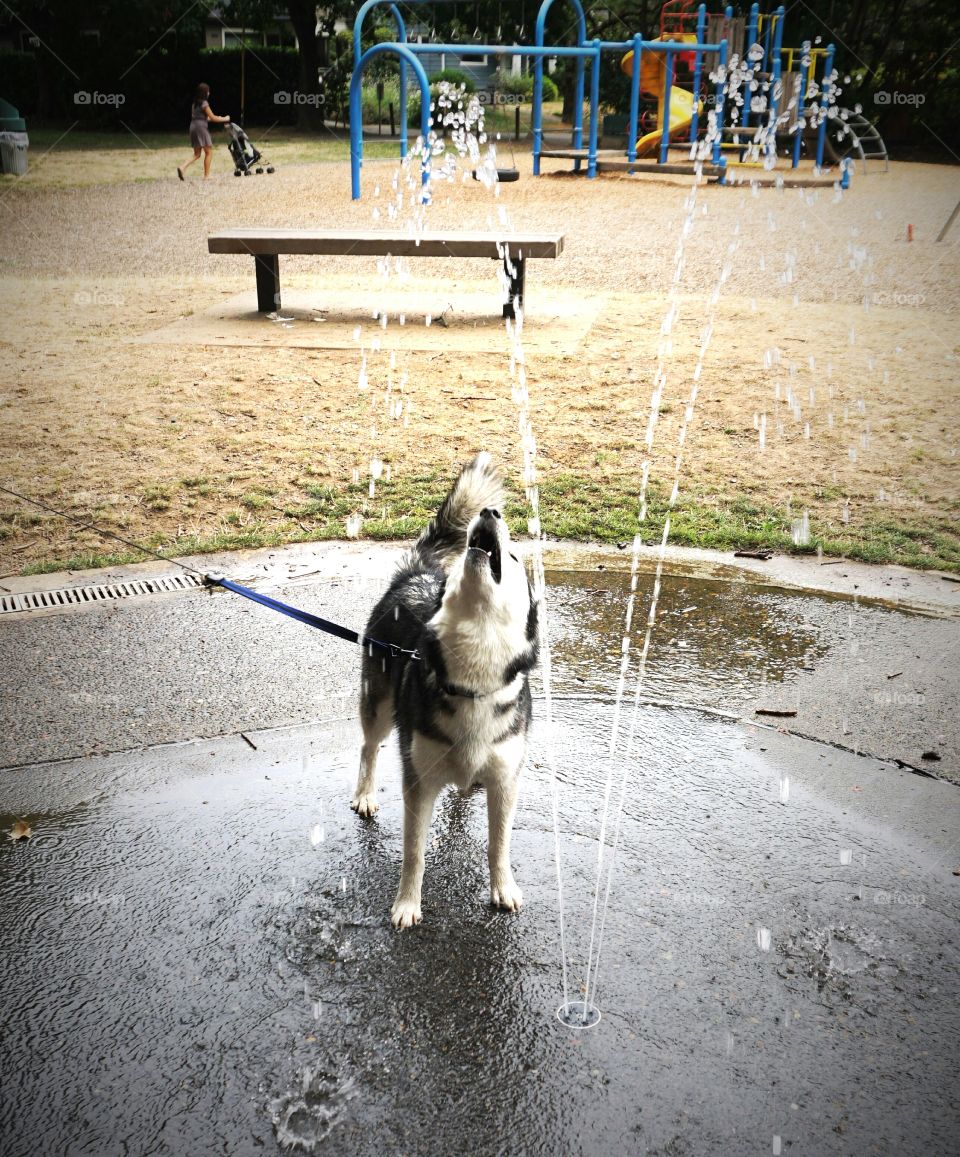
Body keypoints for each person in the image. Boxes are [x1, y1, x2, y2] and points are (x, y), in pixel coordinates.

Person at [178, 83, 230, 180]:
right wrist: (225, 118)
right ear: (204, 93)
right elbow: (213, 117)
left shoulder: (194, 104)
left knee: (197, 154)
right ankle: (207, 176)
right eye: (208, 91)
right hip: (201, 128)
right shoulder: (204, 103)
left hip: (193, 127)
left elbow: (202, 118)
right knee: (209, 152)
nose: (209, 93)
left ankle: (182, 167)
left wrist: (218, 118)